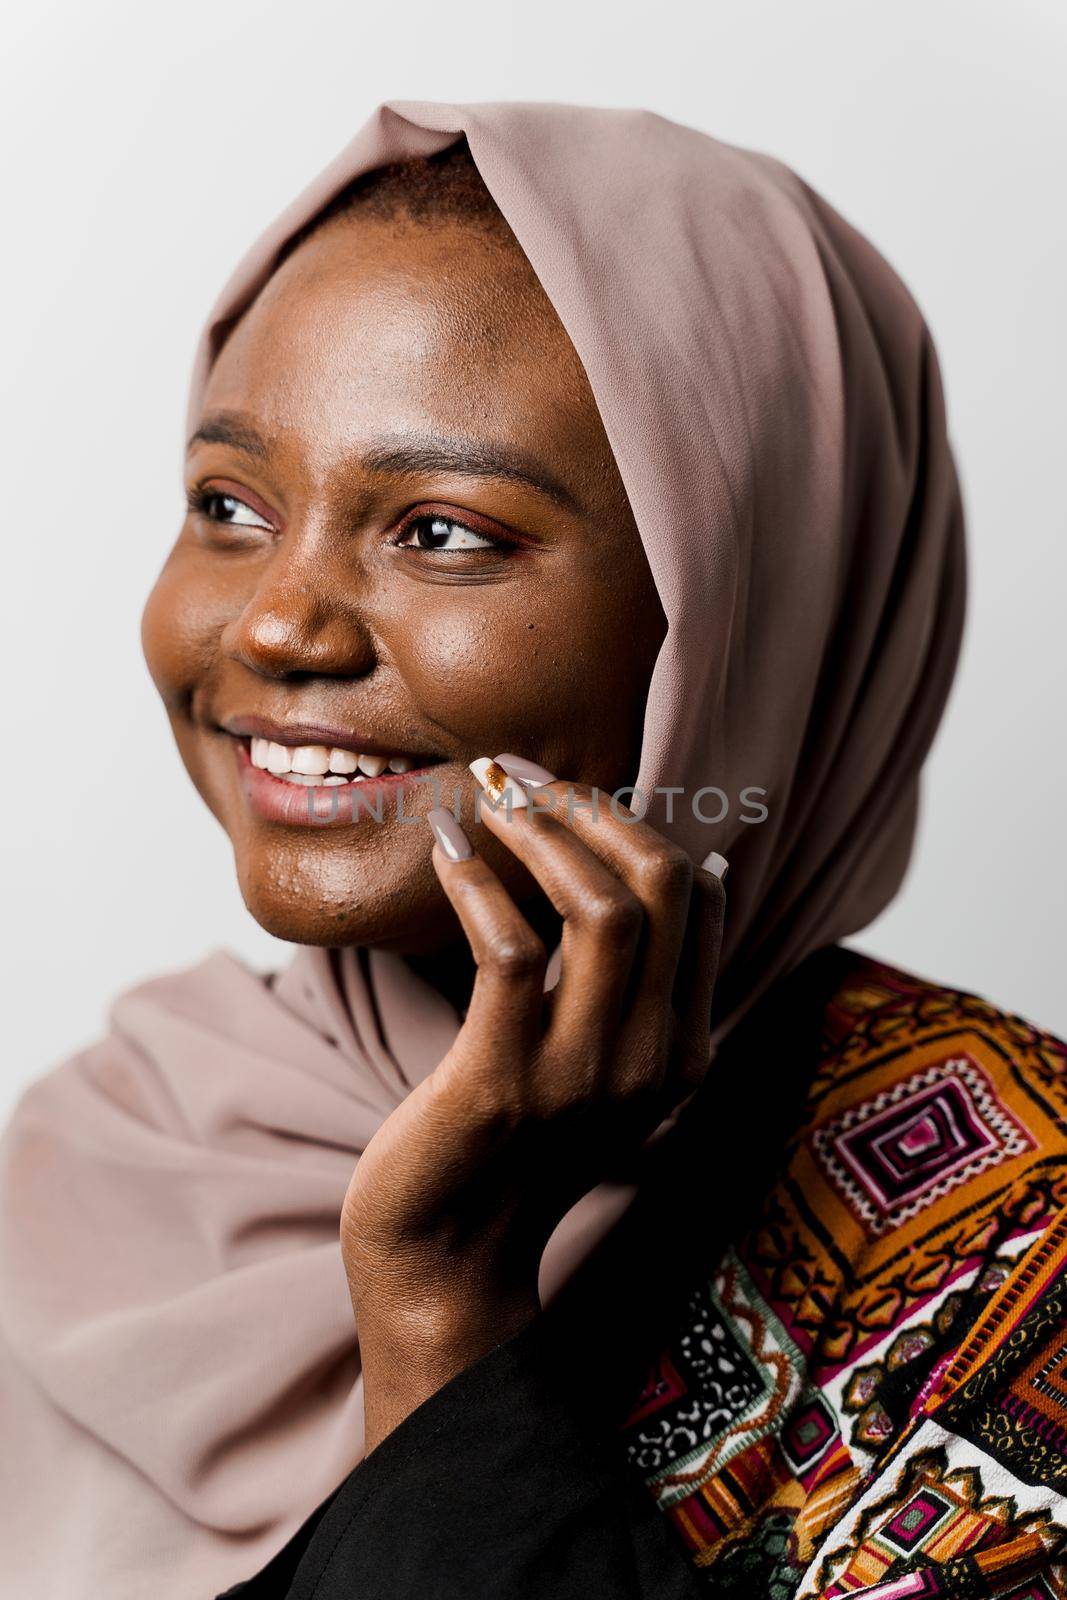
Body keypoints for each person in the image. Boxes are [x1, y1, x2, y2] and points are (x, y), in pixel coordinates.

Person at [2, 100, 1064, 1600]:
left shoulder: (1020, 1235)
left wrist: (442, 1306)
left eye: (442, 532)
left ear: (740, 622)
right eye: (229, 506)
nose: (273, 626)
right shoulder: (110, 1152)